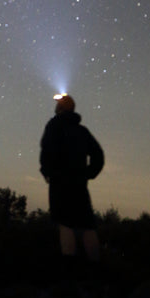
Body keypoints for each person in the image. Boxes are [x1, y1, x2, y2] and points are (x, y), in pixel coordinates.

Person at [39, 94, 104, 274]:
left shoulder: (54, 126)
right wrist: (88, 174)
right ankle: (96, 272)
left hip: (60, 183)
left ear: (61, 108)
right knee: (87, 223)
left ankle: (69, 273)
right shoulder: (82, 131)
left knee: (65, 223)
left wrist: (47, 171)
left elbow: (46, 150)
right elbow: (98, 155)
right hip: (79, 183)